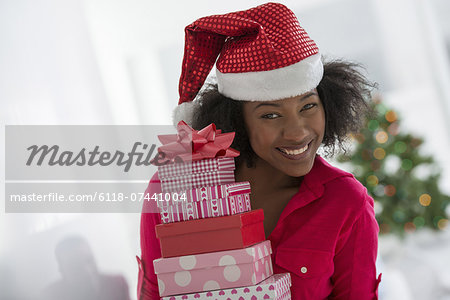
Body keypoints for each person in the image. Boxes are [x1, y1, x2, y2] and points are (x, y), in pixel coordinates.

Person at [138, 2, 381, 299]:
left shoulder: (346, 203)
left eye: (308, 106)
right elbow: (154, 289)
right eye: (270, 115)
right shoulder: (172, 191)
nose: (298, 131)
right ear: (237, 121)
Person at [41, 235, 131, 300]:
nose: (87, 270)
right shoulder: (51, 295)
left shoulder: (117, 284)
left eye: (89, 260)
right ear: (62, 270)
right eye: (76, 266)